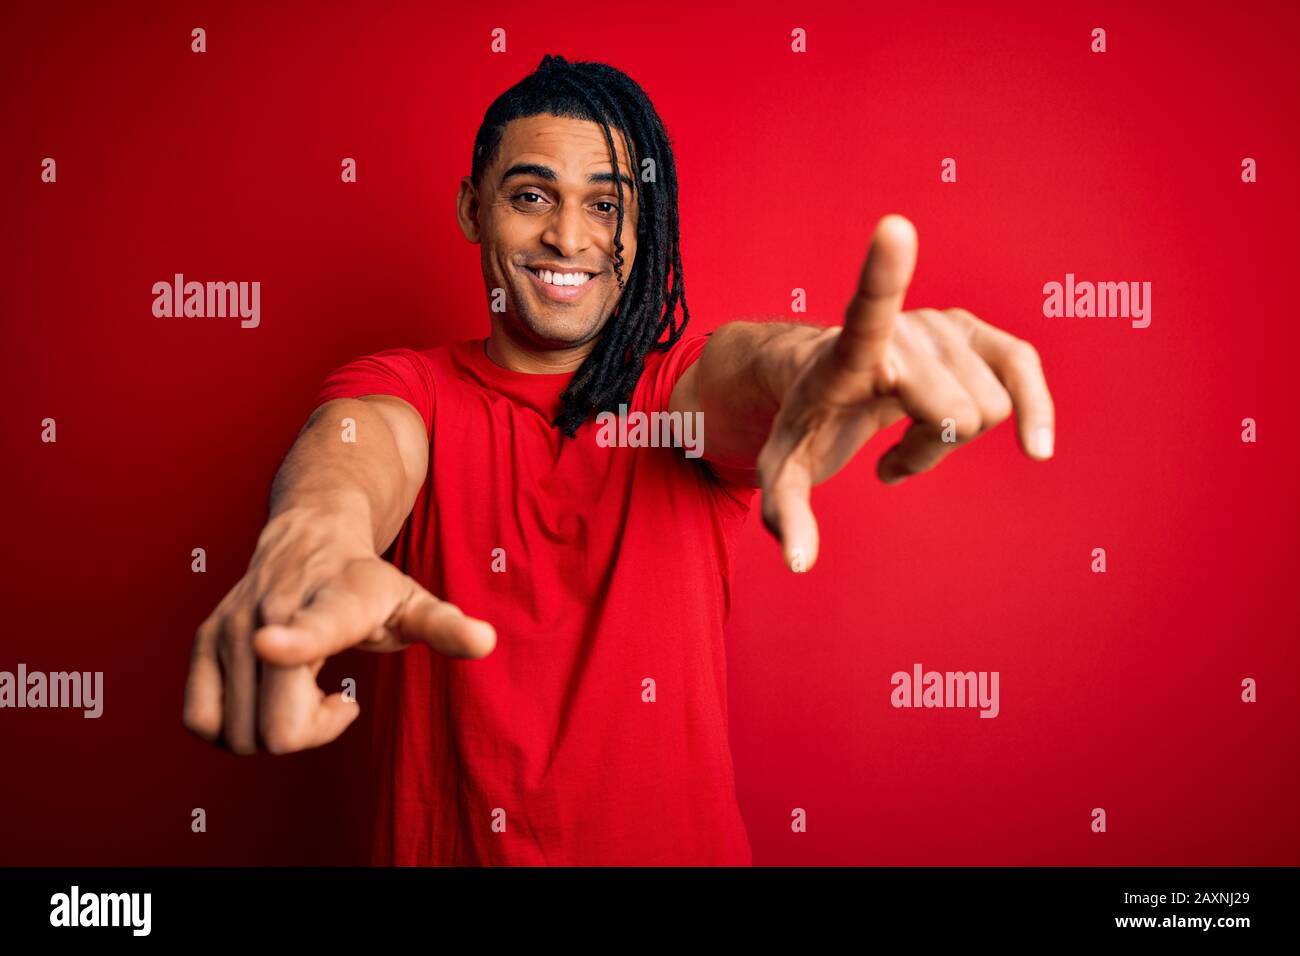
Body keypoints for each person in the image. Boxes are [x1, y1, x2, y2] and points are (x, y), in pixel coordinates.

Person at [182, 54, 1055, 865]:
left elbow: (747, 370)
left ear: (642, 228)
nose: (570, 237)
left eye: (606, 205)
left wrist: (818, 364)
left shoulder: (674, 399)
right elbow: (356, 451)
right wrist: (312, 534)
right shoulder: (408, 387)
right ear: (471, 208)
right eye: (531, 196)